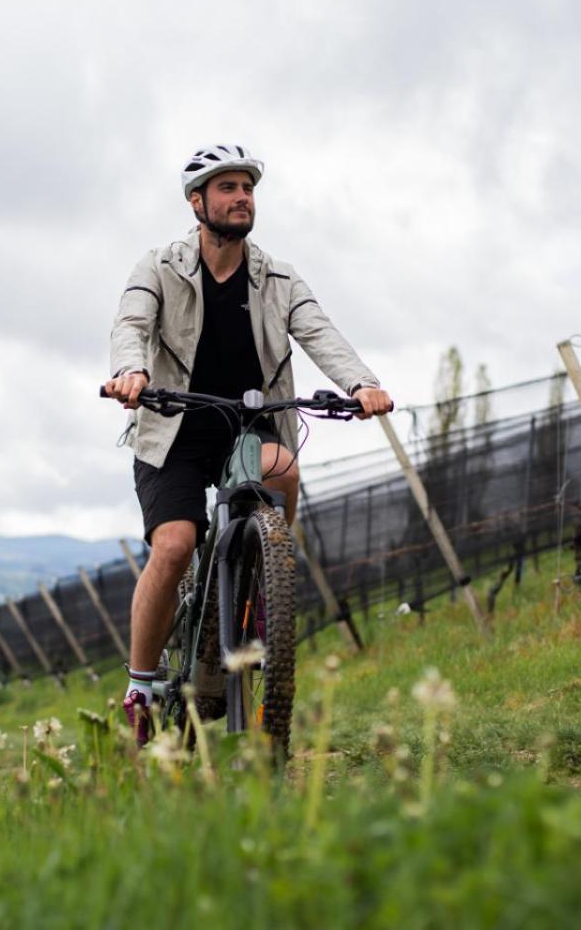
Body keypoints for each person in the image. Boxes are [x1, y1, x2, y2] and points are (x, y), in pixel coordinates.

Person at [103, 144, 392, 745]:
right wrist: (131, 373)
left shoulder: (279, 279)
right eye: (227, 187)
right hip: (174, 426)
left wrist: (361, 383)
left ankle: (265, 596)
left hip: (246, 425)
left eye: (247, 188)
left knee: (282, 467)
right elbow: (131, 324)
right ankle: (142, 683)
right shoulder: (159, 266)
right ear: (197, 201)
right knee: (177, 543)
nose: (241, 197)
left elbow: (320, 332)